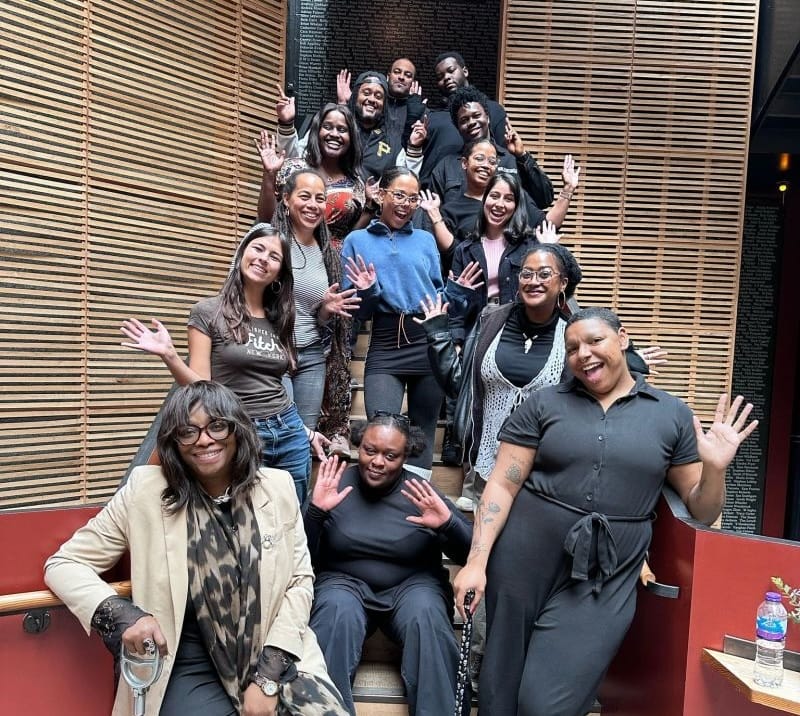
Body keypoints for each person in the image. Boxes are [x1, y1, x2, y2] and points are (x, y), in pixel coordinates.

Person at [452, 307, 757, 716]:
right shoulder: (544, 404)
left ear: (623, 338)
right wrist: (477, 562)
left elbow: (702, 511)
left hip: (606, 574)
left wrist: (715, 469)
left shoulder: (671, 414)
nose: (584, 354)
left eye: (595, 341)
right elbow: (502, 486)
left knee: (546, 705)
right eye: (572, 347)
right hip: (523, 560)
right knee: (499, 689)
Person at [44, 381, 349, 716]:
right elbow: (64, 563)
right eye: (188, 431)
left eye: (217, 426)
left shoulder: (277, 488)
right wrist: (124, 615)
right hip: (186, 664)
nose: (204, 440)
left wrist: (267, 677)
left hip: (274, 650)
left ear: (237, 429)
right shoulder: (145, 491)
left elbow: (300, 581)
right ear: (174, 441)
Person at [120, 223, 322, 503]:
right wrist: (169, 355)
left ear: (279, 273)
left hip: (288, 429)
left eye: (274, 256)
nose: (264, 259)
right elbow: (202, 387)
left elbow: (272, 383)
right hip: (242, 429)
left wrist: (305, 431)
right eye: (258, 249)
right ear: (242, 255)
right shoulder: (208, 312)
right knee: (246, 514)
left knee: (292, 511)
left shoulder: (280, 317)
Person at [302, 412, 472, 715]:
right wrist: (316, 513)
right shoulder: (334, 484)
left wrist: (448, 524)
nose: (377, 462)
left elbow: (469, 557)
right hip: (344, 582)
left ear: (405, 457)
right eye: (370, 451)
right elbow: (301, 558)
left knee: (426, 615)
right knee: (335, 611)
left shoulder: (421, 492)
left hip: (413, 585)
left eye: (390, 456)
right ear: (359, 446)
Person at [340, 167, 480, 476]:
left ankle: (415, 500)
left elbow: (437, 298)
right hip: (385, 343)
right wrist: (368, 290)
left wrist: (457, 292)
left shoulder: (426, 240)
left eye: (413, 198)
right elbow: (356, 310)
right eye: (399, 195)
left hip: (427, 343)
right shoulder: (356, 240)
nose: (406, 204)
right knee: (381, 429)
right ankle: (381, 497)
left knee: (422, 433)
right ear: (381, 195)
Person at [272, 168, 374, 459]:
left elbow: (315, 316)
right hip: (274, 352)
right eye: (304, 196)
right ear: (286, 199)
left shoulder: (326, 251)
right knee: (280, 433)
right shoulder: (268, 239)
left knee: (304, 443)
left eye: (320, 199)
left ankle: (297, 491)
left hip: (312, 356)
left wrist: (326, 311)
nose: (313, 205)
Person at [421, 146, 579, 280]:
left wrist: (568, 190)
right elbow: (453, 251)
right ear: (464, 163)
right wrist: (435, 216)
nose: (499, 205)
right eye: (479, 158)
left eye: (492, 161)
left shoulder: (523, 232)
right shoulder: (455, 216)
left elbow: (546, 226)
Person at [257, 100, 367, 249]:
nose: (334, 134)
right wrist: (269, 174)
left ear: (351, 137)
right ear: (317, 131)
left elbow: (353, 237)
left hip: (331, 260)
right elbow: (267, 219)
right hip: (288, 254)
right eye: (327, 127)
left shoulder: (356, 185)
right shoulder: (292, 169)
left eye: (342, 129)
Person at [429, 86, 553, 209]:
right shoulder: (446, 166)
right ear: (458, 127)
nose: (471, 122)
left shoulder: (512, 160)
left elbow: (544, 199)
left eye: (476, 115)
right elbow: (431, 211)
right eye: (464, 120)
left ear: (487, 118)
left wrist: (522, 156)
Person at [420, 52, 508, 187]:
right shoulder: (431, 117)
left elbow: (503, 155)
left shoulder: (493, 109)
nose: (446, 78)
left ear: (465, 71)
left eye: (451, 71)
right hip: (437, 189)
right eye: (440, 77)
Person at [337, 59, 427, 150]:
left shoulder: (416, 110)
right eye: (397, 72)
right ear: (388, 76)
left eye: (408, 75)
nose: (401, 77)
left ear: (413, 82)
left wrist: (413, 117)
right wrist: (347, 104)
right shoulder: (374, 107)